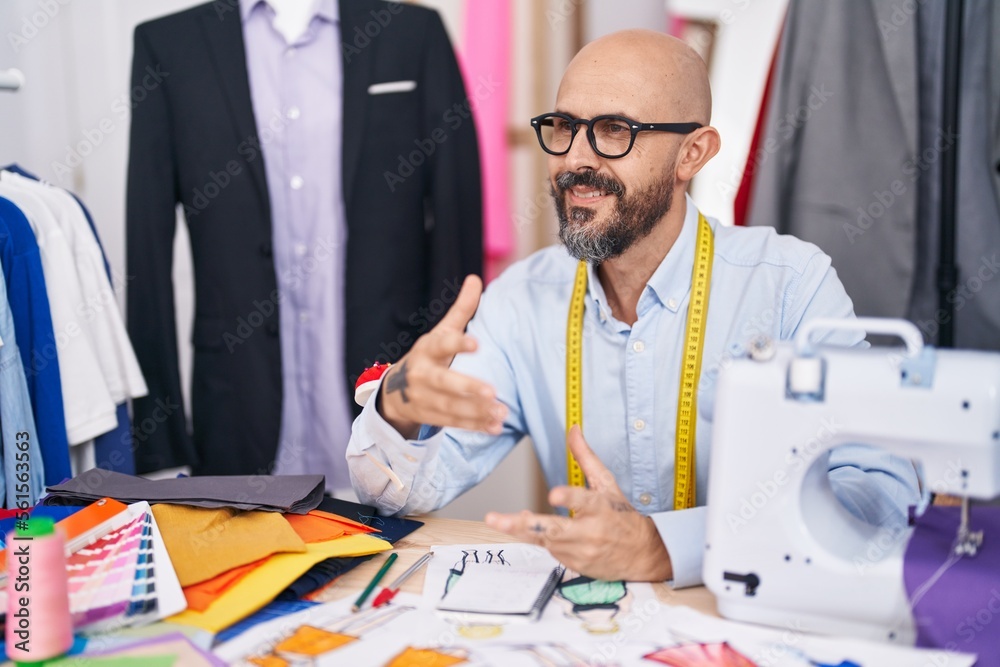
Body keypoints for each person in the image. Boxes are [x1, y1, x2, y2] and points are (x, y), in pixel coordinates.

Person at [346, 30, 919, 586]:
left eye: (614, 130)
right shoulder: (523, 298)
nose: (574, 160)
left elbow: (879, 500)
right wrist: (398, 408)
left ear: (692, 153)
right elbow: (408, 492)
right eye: (564, 126)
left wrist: (666, 548)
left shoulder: (791, 286)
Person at [126, 0, 482, 489]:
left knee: (397, 563)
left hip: (388, 399)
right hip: (236, 407)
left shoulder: (411, 33)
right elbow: (145, 250)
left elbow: (456, 209)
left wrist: (451, 381)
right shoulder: (169, 46)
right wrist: (158, 441)